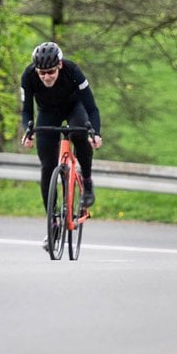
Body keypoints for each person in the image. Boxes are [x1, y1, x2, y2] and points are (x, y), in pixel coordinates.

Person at [20, 41, 103, 224]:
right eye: (42, 73)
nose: (46, 77)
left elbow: (92, 108)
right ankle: (52, 222)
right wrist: (28, 130)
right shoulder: (28, 75)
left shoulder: (73, 70)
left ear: (59, 65)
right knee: (47, 168)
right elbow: (26, 110)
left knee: (80, 133)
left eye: (51, 72)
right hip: (48, 112)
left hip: (74, 107)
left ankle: (87, 181)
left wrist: (96, 133)